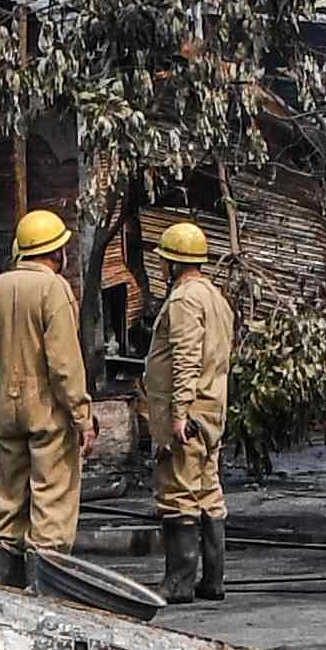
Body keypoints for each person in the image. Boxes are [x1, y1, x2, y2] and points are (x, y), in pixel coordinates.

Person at [0, 206, 85, 587]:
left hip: (7, 410)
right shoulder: (55, 290)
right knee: (51, 500)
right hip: (47, 413)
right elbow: (64, 363)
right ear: (57, 253)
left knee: (10, 500)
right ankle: (45, 593)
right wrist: (81, 415)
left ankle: (8, 587)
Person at [140, 217, 233, 605]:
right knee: (208, 492)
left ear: (173, 264)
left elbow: (186, 359)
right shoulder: (215, 297)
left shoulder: (183, 301)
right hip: (212, 410)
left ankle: (178, 582)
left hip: (188, 414)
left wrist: (178, 414)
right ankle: (212, 580)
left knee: (179, 492)